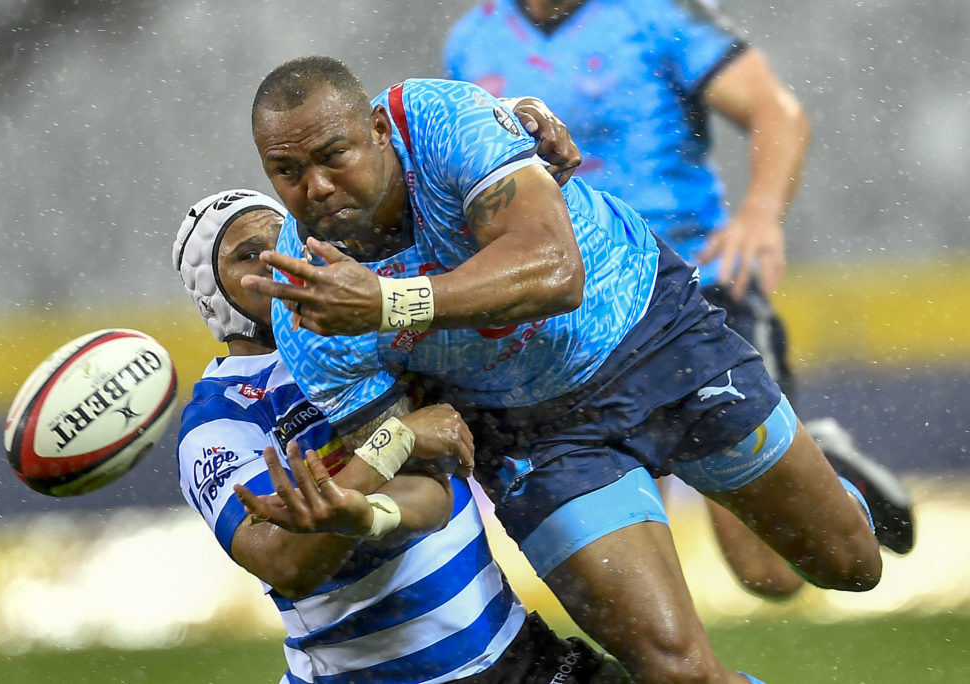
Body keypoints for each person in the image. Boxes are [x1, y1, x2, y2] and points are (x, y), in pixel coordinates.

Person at [242, 54, 899, 683]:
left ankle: (837, 468)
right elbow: (432, 487)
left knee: (850, 566)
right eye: (287, 170)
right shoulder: (308, 313)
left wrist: (387, 303)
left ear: (380, 131)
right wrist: (368, 511)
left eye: (334, 156)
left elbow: (557, 272)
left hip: (649, 333)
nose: (318, 188)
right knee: (673, 670)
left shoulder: (435, 120)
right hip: (532, 434)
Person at [443, 0, 915, 598]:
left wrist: (760, 214)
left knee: (769, 573)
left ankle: (825, 460)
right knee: (632, 576)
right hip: (577, 321)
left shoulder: (657, 14)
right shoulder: (472, 41)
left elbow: (776, 110)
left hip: (693, 297)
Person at [172, 188, 630, 683]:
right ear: (210, 293)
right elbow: (284, 563)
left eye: (285, 238)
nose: (279, 258)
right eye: (248, 255)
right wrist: (393, 443)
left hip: (514, 656)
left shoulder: (368, 331)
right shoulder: (219, 419)